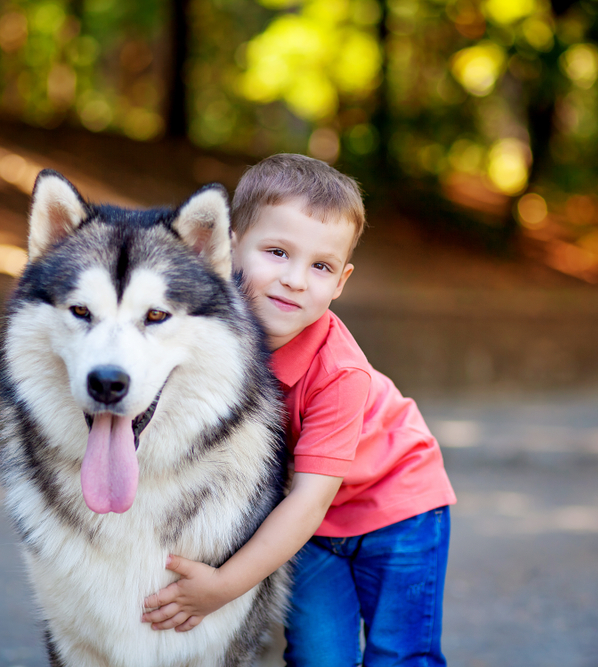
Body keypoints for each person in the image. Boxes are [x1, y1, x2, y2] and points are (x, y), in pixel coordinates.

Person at [142, 153, 457, 666]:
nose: (295, 279)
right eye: (277, 251)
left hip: (399, 507)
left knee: (399, 654)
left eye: (321, 266)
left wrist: (223, 586)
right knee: (317, 657)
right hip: (310, 526)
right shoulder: (205, 340)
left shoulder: (339, 374)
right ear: (229, 247)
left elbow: (307, 502)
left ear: (341, 283)